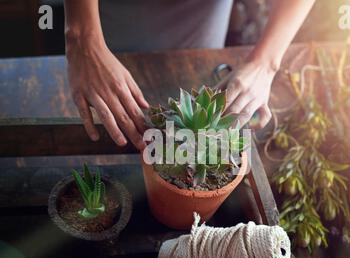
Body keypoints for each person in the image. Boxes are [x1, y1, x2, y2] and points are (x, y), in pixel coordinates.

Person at [64, 0, 315, 150]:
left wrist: (267, 61)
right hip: (113, 18)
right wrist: (83, 37)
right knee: (106, 118)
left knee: (194, 91)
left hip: (203, 16)